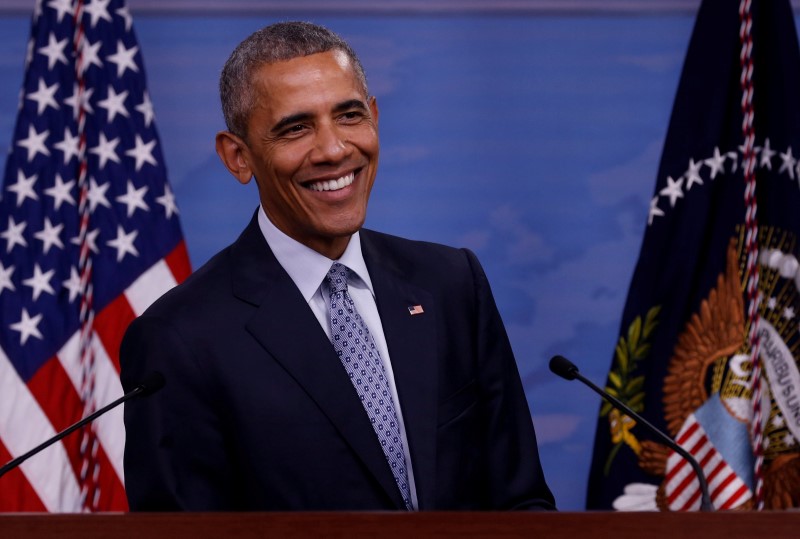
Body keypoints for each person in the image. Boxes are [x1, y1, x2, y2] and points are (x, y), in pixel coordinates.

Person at [120, 21, 555, 511]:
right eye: (295, 128)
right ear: (238, 156)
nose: (333, 149)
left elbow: (522, 504)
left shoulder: (451, 283)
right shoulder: (178, 339)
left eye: (349, 116)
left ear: (373, 117)